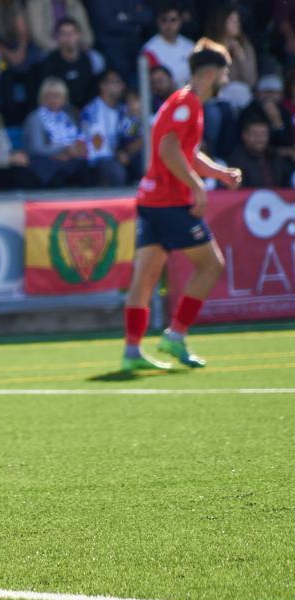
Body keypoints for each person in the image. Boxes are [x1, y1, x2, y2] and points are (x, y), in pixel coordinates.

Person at [122, 39, 242, 372]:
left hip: (151, 201)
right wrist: (198, 186)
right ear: (210, 74)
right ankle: (176, 334)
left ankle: (131, 351)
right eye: (224, 72)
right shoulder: (187, 104)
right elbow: (169, 151)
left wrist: (217, 172)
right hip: (168, 203)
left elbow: (185, 153)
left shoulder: (184, 102)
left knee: (144, 279)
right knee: (211, 265)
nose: (226, 79)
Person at [24, 77, 91, 188]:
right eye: (49, 96)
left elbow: (79, 139)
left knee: (85, 168)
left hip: (69, 157)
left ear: (64, 98)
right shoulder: (35, 118)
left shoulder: (69, 116)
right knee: (56, 174)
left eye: (57, 96)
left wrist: (72, 151)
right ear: (42, 98)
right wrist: (62, 150)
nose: (53, 99)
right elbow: (36, 148)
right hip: (45, 160)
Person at [82, 69, 132, 186]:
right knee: (115, 171)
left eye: (120, 82)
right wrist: (119, 153)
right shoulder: (93, 110)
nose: (121, 86)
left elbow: (129, 134)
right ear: (103, 86)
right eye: (116, 82)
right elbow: (98, 146)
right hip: (98, 159)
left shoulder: (123, 108)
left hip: (118, 154)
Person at [87, 0, 153, 88]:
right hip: (112, 52)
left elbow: (147, 16)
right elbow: (108, 23)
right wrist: (134, 25)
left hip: (136, 50)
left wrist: (127, 17)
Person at [35, 18, 97, 108]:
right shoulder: (49, 62)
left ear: (78, 35)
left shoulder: (86, 60)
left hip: (83, 110)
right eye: (63, 34)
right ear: (57, 37)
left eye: (72, 33)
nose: (68, 37)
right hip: (58, 110)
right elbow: (46, 95)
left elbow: (90, 90)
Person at [228, 118, 294, 188]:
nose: (259, 138)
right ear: (244, 135)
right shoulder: (236, 160)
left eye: (263, 134)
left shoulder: (276, 157)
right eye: (255, 134)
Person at [141, 2, 194, 86]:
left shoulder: (190, 47)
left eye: (173, 20)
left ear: (180, 21)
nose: (169, 25)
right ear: (157, 21)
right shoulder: (150, 50)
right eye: (164, 20)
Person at [25, 0, 94, 54]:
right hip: (49, 48)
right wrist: (62, 48)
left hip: (75, 46)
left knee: (97, 60)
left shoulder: (74, 2)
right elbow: (39, 36)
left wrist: (83, 43)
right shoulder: (36, 3)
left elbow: (86, 32)